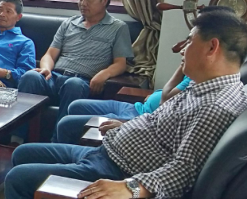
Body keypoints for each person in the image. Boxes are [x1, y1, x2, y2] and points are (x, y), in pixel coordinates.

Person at [0, 6, 247, 199]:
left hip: (116, 171)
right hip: (108, 152)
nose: (183, 49)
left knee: (18, 179)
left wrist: (130, 187)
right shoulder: (205, 87)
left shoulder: (216, 107)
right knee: (23, 153)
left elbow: (184, 171)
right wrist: (126, 126)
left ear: (212, 47)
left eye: (190, 41)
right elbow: (160, 121)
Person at [17, 0, 133, 139]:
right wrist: (46, 68)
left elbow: (120, 63)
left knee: (73, 84)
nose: (82, 3)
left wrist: (103, 74)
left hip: (82, 81)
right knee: (30, 76)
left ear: (104, 1)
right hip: (55, 76)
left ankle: (57, 144)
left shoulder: (118, 27)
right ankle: (17, 138)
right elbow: (50, 54)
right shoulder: (69, 23)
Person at [54, 61, 192, 144]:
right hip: (136, 107)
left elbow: (166, 99)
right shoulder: (191, 73)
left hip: (138, 118)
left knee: (65, 124)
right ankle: (73, 147)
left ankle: (64, 161)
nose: (182, 50)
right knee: (75, 106)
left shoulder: (194, 78)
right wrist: (156, 94)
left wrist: (183, 64)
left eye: (188, 45)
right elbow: (171, 94)